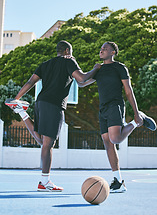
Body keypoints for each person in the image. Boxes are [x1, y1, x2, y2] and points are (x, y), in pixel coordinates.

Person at [5, 40, 101, 192]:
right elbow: (82, 78)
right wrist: (95, 69)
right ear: (67, 51)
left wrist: (17, 98)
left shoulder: (45, 64)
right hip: (54, 105)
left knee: (43, 142)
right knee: (48, 144)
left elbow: (31, 82)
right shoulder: (69, 61)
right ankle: (44, 182)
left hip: (41, 102)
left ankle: (22, 111)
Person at [78, 41, 157, 193]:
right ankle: (119, 181)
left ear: (113, 52)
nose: (102, 50)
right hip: (103, 109)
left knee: (115, 139)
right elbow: (82, 83)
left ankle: (137, 120)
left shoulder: (119, 68)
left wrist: (135, 111)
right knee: (108, 143)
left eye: (105, 48)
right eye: (101, 48)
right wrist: (94, 69)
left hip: (115, 105)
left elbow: (128, 90)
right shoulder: (99, 69)